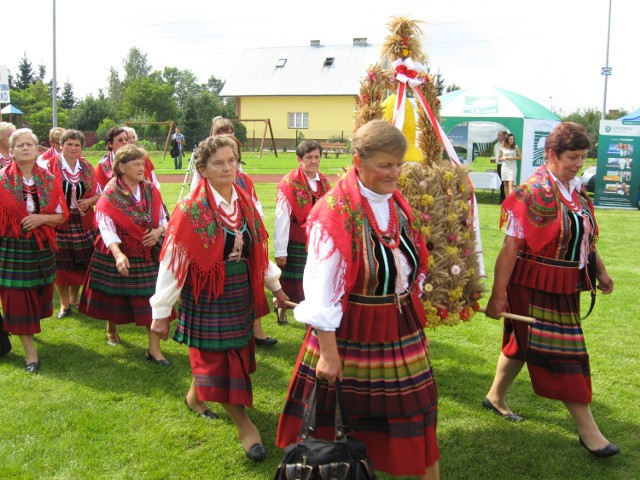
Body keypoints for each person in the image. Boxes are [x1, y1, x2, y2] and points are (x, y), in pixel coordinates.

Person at [276, 120, 440, 480]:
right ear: (358, 161)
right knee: (341, 428)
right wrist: (329, 355)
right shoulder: (333, 212)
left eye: (399, 164)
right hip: (349, 334)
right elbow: (320, 291)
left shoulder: (395, 203)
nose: (395, 173)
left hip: (399, 330)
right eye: (385, 164)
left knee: (414, 417)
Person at [483, 122, 619, 458]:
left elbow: (585, 236)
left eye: (582, 157)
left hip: (565, 285)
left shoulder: (574, 191)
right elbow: (510, 247)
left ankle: (495, 397)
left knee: (520, 342)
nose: (578, 164)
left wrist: (600, 270)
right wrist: (499, 295)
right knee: (566, 355)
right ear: (551, 155)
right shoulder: (532, 192)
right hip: (533, 285)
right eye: (572, 157)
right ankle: (590, 432)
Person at [150, 135, 289, 462]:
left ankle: (194, 397)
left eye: (232, 161)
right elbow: (173, 262)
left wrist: (276, 288)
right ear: (203, 169)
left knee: (229, 357)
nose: (228, 168)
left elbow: (257, 251)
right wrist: (160, 311)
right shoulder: (190, 211)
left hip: (240, 291)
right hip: (206, 293)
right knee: (219, 361)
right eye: (219, 163)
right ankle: (244, 427)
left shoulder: (244, 202)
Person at [80, 144, 173, 364]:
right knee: (115, 298)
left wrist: (158, 231)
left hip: (147, 252)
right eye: (136, 164)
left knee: (152, 300)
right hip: (118, 249)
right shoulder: (110, 193)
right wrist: (118, 253)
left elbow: (164, 218)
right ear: (121, 167)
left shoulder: (151, 189)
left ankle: (153, 349)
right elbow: (105, 225)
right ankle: (112, 329)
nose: (142, 168)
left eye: (143, 163)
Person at [0, 128, 67, 372]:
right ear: (12, 150)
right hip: (11, 246)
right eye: (20, 145)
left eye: (30, 144)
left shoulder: (48, 180)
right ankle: (31, 355)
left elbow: (61, 218)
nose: (26, 148)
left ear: (36, 149)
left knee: (41, 296)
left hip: (42, 246)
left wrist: (40, 219)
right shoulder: (2, 180)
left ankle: (24, 326)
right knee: (17, 299)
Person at [274, 140, 331, 323]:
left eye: (317, 157)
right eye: (309, 157)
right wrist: (281, 249)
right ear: (299, 159)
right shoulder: (289, 183)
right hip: (296, 239)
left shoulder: (323, 182)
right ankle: (281, 310)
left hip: (317, 241)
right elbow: (281, 218)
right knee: (292, 282)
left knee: (313, 282)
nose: (314, 161)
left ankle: (310, 317)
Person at [46, 130, 101, 318]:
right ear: (61, 145)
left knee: (80, 262)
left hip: (82, 220)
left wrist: (89, 201)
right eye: (69, 144)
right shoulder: (49, 165)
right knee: (60, 265)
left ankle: (74, 299)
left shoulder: (86, 166)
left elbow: (99, 194)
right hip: (59, 221)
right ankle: (63, 304)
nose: (73, 148)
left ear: (81, 148)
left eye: (77, 145)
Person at [498, 133, 521, 198]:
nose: (512, 140)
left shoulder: (515, 147)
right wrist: (504, 158)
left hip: (512, 167)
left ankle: (511, 199)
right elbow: (499, 159)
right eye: (511, 139)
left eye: (513, 139)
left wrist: (513, 158)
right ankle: (507, 200)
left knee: (511, 184)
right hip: (505, 167)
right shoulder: (502, 148)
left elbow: (520, 157)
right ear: (507, 140)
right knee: (505, 183)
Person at [494, 129, 507, 203]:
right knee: (500, 182)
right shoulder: (496, 145)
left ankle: (504, 199)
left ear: (504, 136)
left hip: (504, 165)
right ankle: (501, 199)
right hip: (498, 165)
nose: (498, 137)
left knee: (504, 182)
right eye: (498, 135)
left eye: (500, 135)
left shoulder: (506, 145)